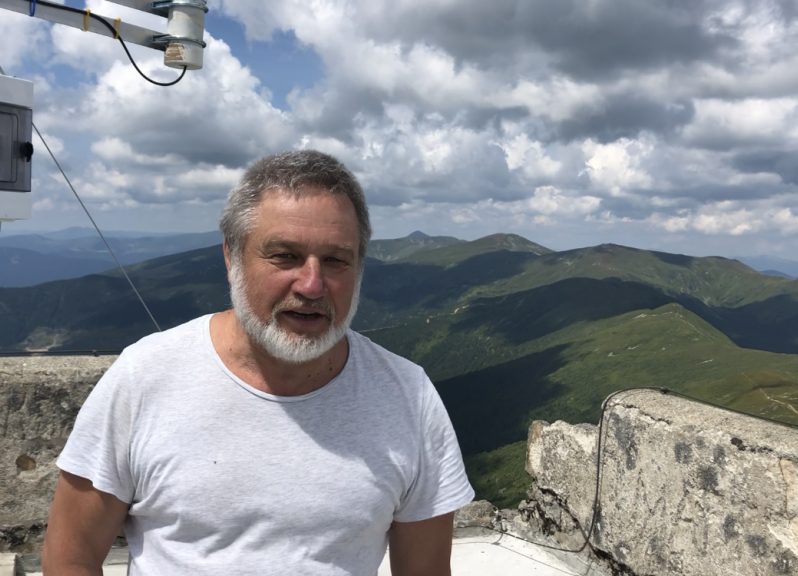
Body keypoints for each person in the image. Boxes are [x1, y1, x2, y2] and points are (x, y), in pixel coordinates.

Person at [42, 150, 474, 575]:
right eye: (284, 255)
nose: (312, 285)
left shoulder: (409, 397)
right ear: (231, 258)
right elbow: (70, 559)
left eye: (335, 260)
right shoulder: (143, 377)